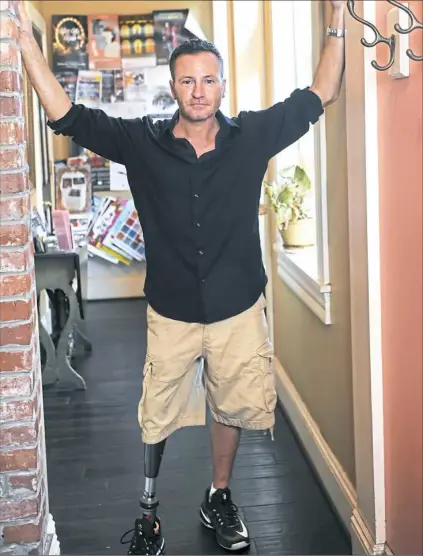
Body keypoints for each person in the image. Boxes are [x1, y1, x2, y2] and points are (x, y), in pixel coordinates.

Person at [16, 0, 345, 554]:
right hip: (170, 307)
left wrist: (337, 21)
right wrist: (26, 46)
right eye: (188, 81)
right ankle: (148, 512)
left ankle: (219, 496)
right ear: (173, 86)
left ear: (222, 85)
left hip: (238, 306)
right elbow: (66, 115)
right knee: (156, 414)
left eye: (208, 80)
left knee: (232, 404)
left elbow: (320, 94)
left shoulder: (252, 137)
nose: (198, 90)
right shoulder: (141, 142)